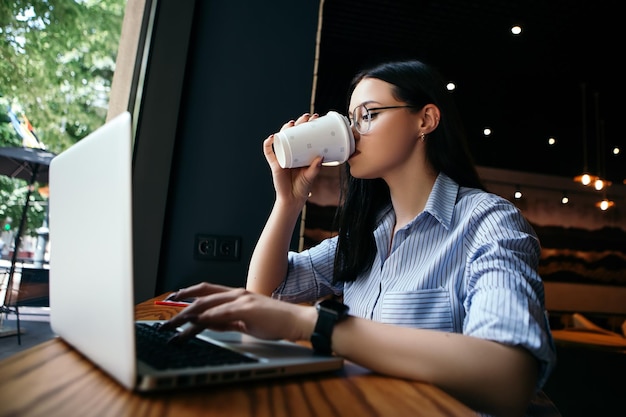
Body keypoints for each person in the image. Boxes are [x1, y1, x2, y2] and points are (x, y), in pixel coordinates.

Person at [160, 59, 557, 417]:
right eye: (349, 119)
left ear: (426, 120)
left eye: (367, 115)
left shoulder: (488, 222)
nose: (351, 133)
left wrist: (312, 324)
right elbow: (267, 292)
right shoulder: (368, 234)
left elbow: (509, 377)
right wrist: (289, 201)